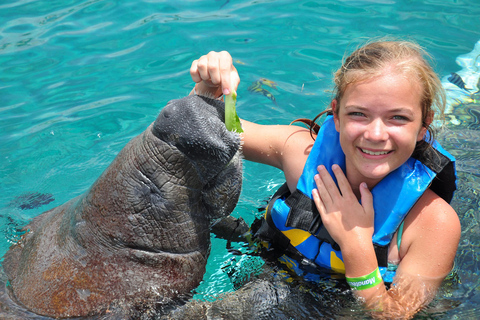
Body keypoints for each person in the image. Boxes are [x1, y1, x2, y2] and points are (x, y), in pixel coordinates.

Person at [189, 40, 461, 318]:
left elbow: (394, 314)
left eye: (398, 118)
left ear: (423, 126)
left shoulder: (433, 223)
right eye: (358, 114)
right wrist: (210, 93)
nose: (376, 134)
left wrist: (356, 245)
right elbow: (212, 133)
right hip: (267, 272)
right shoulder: (300, 155)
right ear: (337, 115)